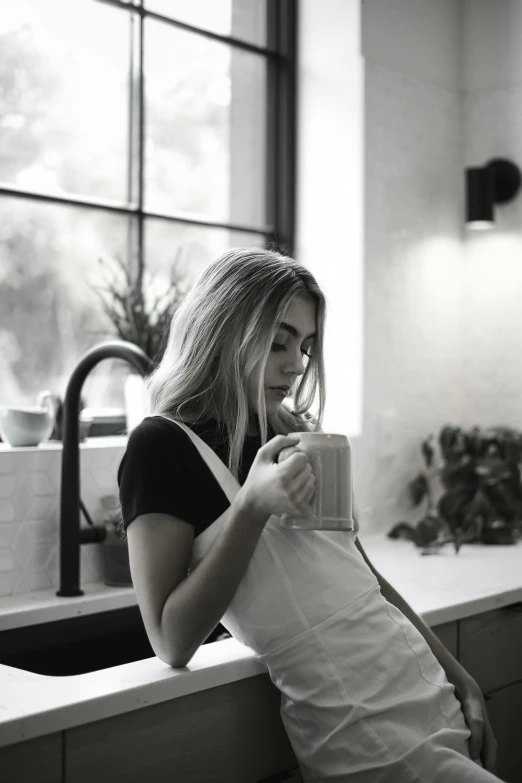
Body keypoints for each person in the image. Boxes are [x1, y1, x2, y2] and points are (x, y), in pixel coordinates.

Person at [117, 247, 501, 782]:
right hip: (355, 723)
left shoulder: (291, 428)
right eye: (278, 342)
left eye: (305, 345)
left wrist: (460, 677)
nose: (296, 363)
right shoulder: (161, 445)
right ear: (222, 328)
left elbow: (360, 576)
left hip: (424, 689)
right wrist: (252, 506)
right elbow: (170, 640)